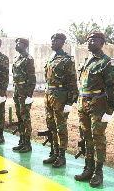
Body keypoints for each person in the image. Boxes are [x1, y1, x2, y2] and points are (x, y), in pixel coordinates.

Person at [74, 32, 114, 187]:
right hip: (84, 105)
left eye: (93, 40)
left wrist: (109, 111)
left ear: (102, 43)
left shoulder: (106, 63)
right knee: (86, 137)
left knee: (98, 139)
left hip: (98, 107)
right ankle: (88, 168)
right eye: (88, 40)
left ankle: (98, 172)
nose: (89, 42)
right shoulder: (87, 61)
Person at [43, 33, 78, 167]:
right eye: (52, 39)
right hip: (49, 94)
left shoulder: (66, 59)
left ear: (62, 42)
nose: (53, 42)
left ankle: (62, 156)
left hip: (60, 96)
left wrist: (70, 102)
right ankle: (54, 152)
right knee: (51, 125)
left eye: (56, 40)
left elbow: (72, 81)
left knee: (60, 126)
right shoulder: (51, 58)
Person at [12, 38, 36, 153]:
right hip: (17, 91)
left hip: (24, 92)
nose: (17, 45)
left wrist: (29, 95)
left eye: (19, 43)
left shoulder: (28, 59)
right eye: (16, 43)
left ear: (25, 45)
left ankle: (27, 143)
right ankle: (21, 141)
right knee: (20, 117)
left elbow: (32, 78)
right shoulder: (17, 58)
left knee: (25, 117)